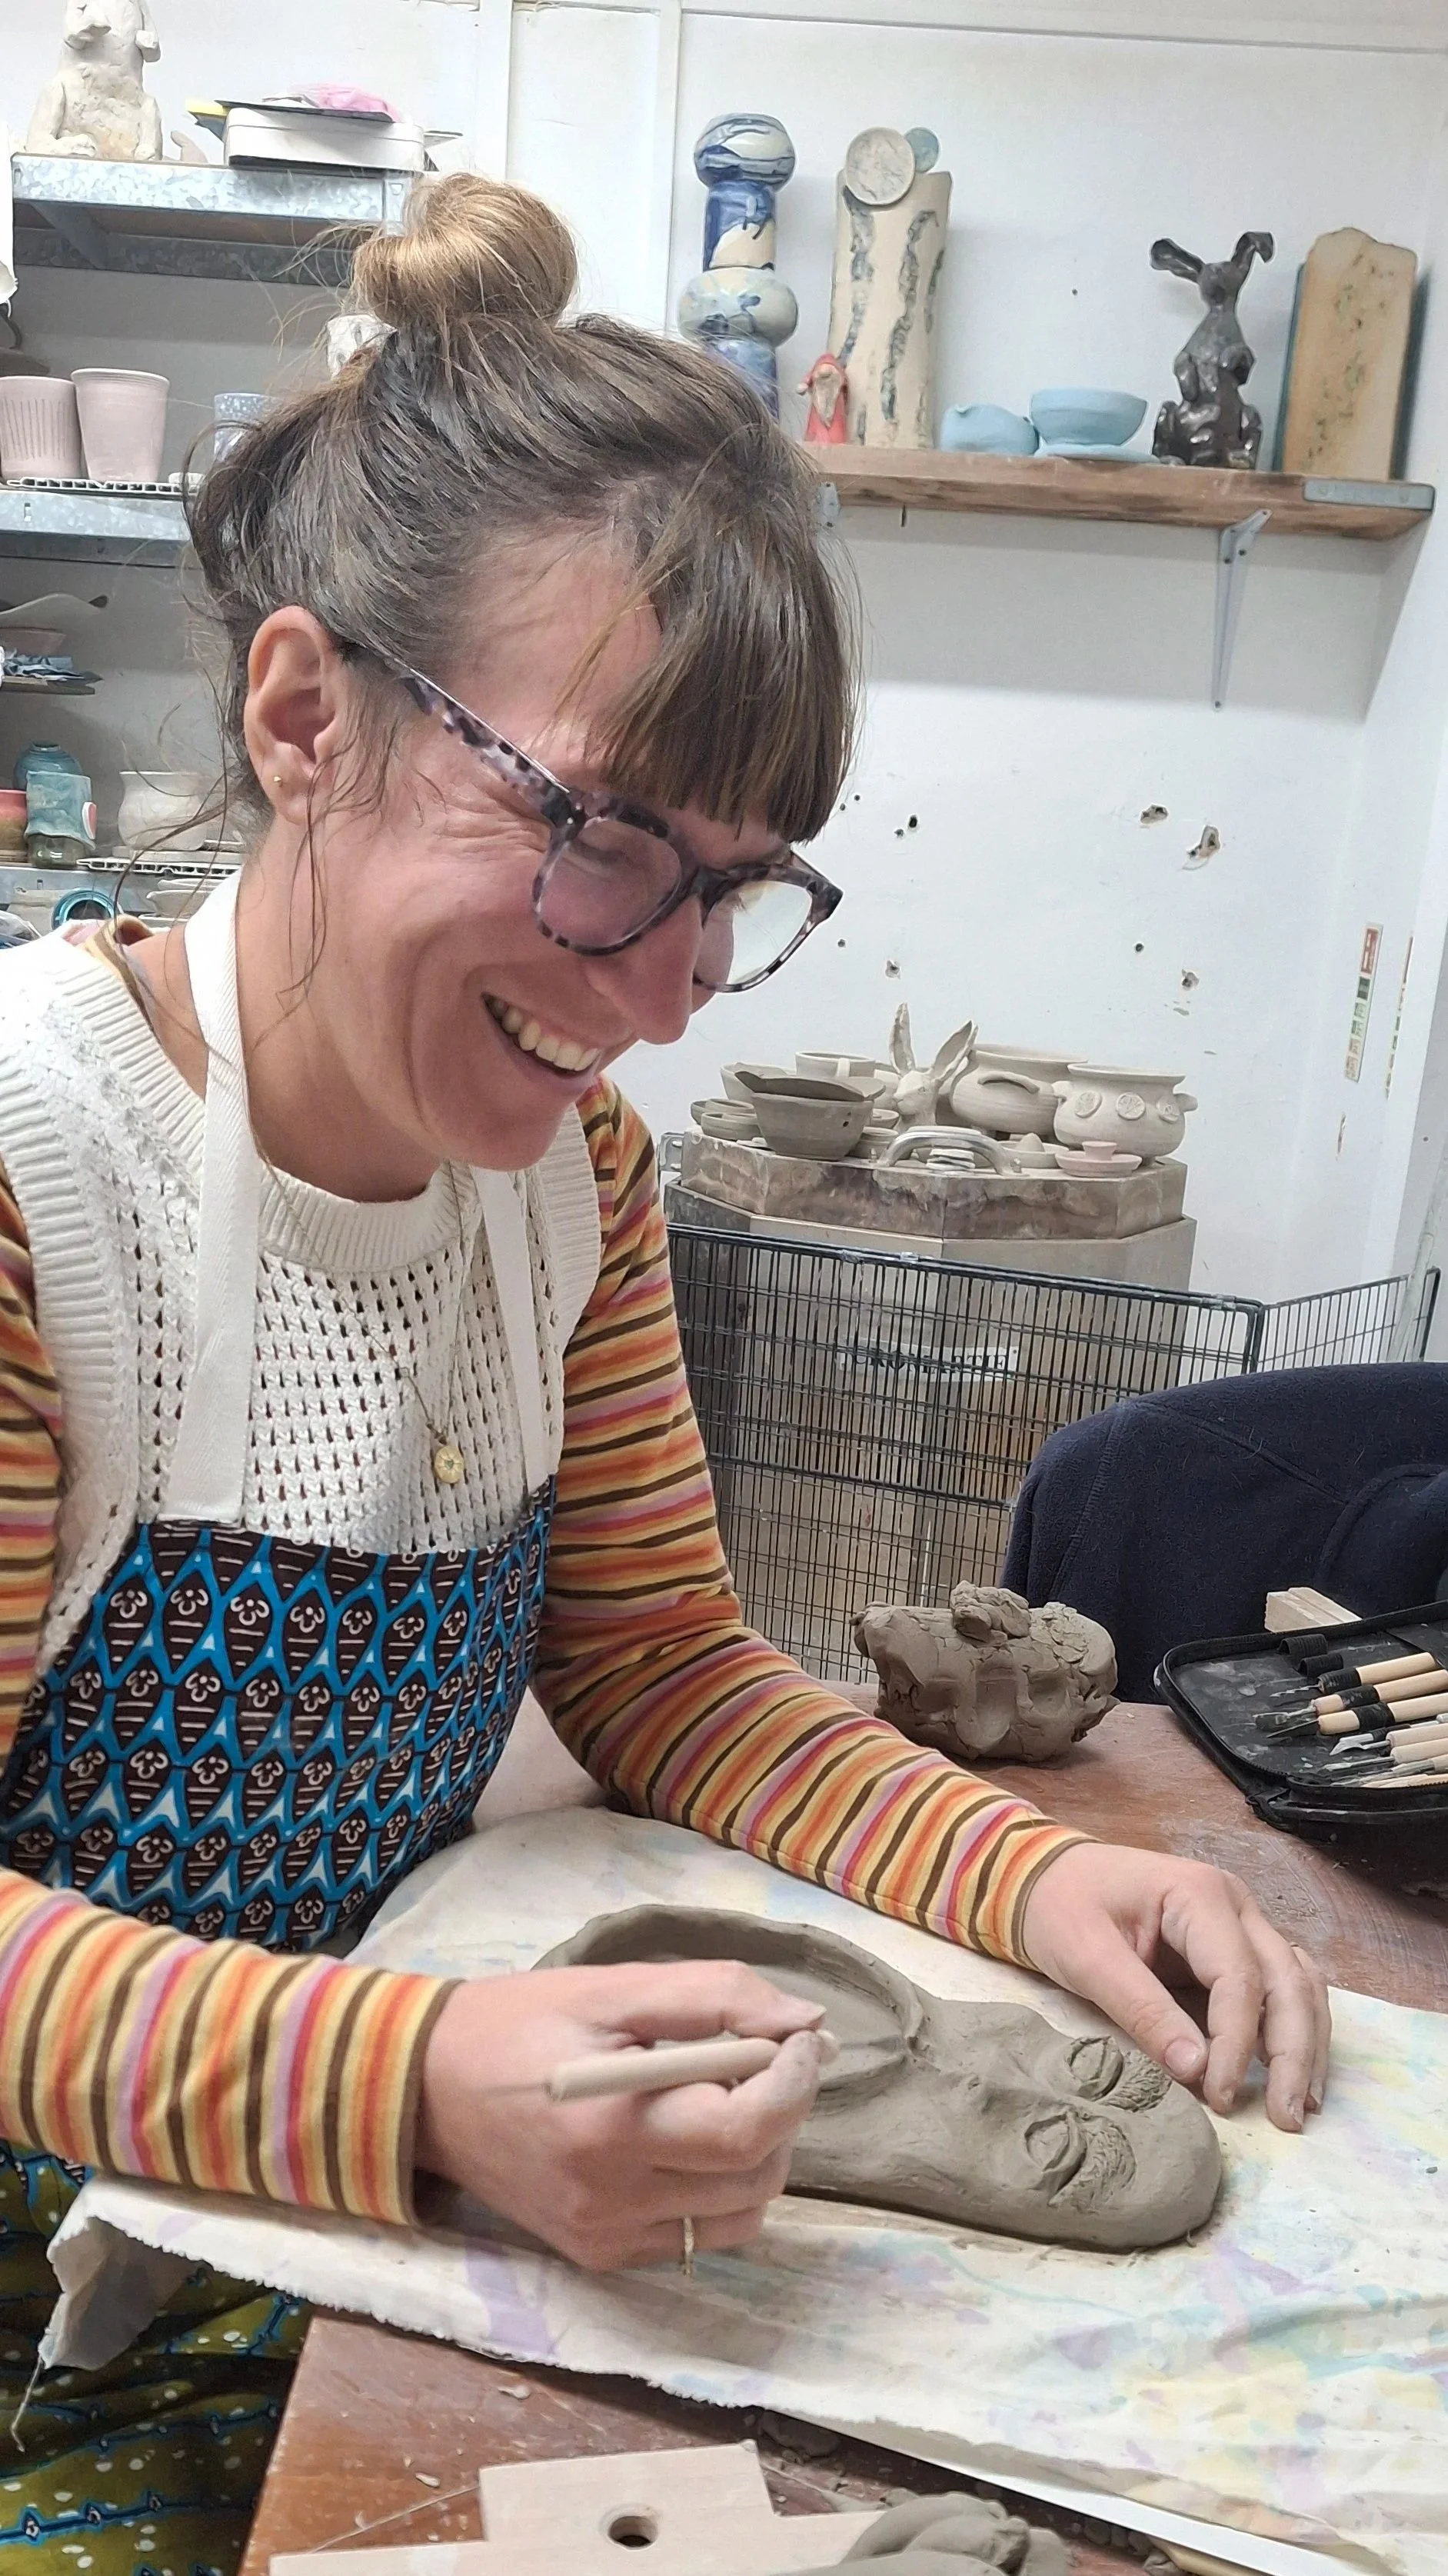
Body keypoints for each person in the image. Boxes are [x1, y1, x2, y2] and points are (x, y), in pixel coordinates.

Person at [0, 173, 1328, 2575]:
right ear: (306, 712)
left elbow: (660, 1663)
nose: (672, 985)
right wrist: (403, 2079)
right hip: (61, 2283)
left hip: (371, 2211)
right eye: (609, 840)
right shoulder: (35, 1184)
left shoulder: (571, 1185)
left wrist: (1035, 1884)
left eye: (740, 885)